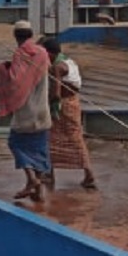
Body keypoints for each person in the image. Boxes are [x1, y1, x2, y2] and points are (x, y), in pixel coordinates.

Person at [0, 20, 52, 202]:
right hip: (42, 109)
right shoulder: (42, 53)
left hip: (26, 111)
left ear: (15, 36)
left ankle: (32, 179)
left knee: (16, 143)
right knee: (39, 149)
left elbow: (15, 83)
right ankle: (37, 190)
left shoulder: (20, 55)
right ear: (31, 34)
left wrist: (4, 70)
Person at [40, 38, 96, 190]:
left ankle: (50, 174)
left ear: (49, 53)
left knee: (51, 139)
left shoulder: (57, 67)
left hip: (63, 106)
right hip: (73, 103)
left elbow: (56, 93)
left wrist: (49, 105)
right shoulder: (69, 61)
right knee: (75, 138)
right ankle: (87, 174)